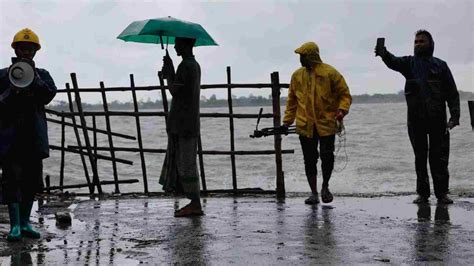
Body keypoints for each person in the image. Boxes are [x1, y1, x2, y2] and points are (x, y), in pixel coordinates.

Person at [375, 30, 460, 204]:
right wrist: (383, 53)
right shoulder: (409, 64)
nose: (418, 44)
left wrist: (454, 117)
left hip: (438, 120)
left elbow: (452, 93)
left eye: (422, 41)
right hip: (416, 121)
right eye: (416, 41)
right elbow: (393, 61)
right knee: (420, 158)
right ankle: (423, 194)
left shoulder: (441, 66)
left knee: (440, 159)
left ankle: (442, 194)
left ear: (430, 44)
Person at [0, 28, 57, 241]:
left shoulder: (43, 75)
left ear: (35, 52)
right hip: (10, 139)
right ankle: (14, 226)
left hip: (33, 138)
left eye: (30, 49)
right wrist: (9, 93)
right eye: (23, 48)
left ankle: (25, 223)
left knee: (31, 182)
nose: (26, 52)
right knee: (11, 181)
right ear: (16, 49)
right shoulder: (3, 75)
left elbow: (49, 95)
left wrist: (34, 80)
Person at [282, 41, 352, 204]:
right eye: (300, 56)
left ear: (312, 56)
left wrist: (342, 110)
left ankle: (325, 186)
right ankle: (313, 192)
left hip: (326, 124)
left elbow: (345, 95)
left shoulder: (330, 73)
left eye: (303, 56)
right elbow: (292, 101)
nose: (301, 59)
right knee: (309, 159)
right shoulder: (297, 75)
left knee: (327, 157)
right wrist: (287, 122)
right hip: (305, 125)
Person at [159, 37, 203, 217]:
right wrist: (169, 71)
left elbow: (174, 89)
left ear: (185, 45)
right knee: (186, 162)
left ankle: (195, 203)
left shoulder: (186, 66)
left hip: (184, 123)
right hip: (187, 122)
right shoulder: (193, 65)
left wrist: (169, 72)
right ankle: (194, 201)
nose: (175, 46)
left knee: (187, 164)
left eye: (178, 43)